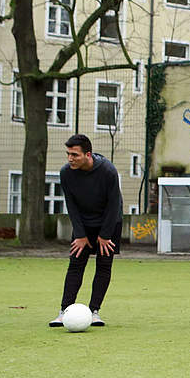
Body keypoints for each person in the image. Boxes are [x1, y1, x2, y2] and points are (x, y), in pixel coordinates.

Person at [48, 134, 122, 328]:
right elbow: (71, 204)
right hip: (83, 224)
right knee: (75, 265)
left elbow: (114, 204)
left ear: (88, 154)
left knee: (104, 265)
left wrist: (105, 236)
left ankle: (94, 311)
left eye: (75, 155)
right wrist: (80, 234)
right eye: (68, 154)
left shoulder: (108, 171)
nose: (70, 159)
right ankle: (64, 311)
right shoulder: (66, 173)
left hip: (109, 223)